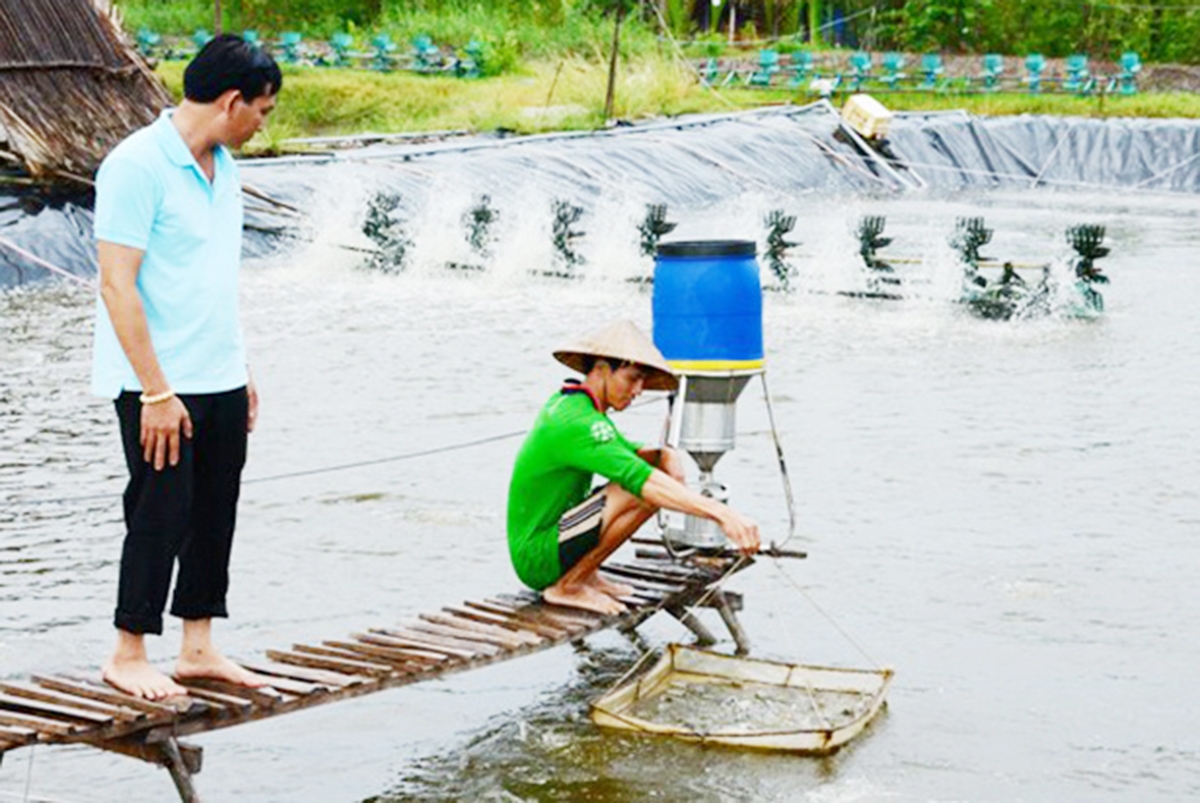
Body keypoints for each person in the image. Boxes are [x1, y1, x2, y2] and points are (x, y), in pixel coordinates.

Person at [91, 35, 281, 700]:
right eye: (262, 109)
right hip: (157, 383)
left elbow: (211, 279)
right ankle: (128, 650)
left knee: (213, 511)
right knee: (159, 511)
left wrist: (241, 364)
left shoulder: (222, 166)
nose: (263, 122)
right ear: (232, 102)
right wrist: (156, 389)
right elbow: (118, 285)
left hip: (219, 373)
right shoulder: (135, 166)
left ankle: (198, 646)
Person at [506, 320, 761, 615]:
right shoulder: (578, 423)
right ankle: (567, 586)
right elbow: (641, 479)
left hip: (549, 542)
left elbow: (631, 453)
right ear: (602, 368)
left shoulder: (576, 406)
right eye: (633, 378)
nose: (639, 390)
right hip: (537, 556)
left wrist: (666, 453)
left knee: (648, 480)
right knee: (640, 488)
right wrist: (723, 514)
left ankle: (584, 575)